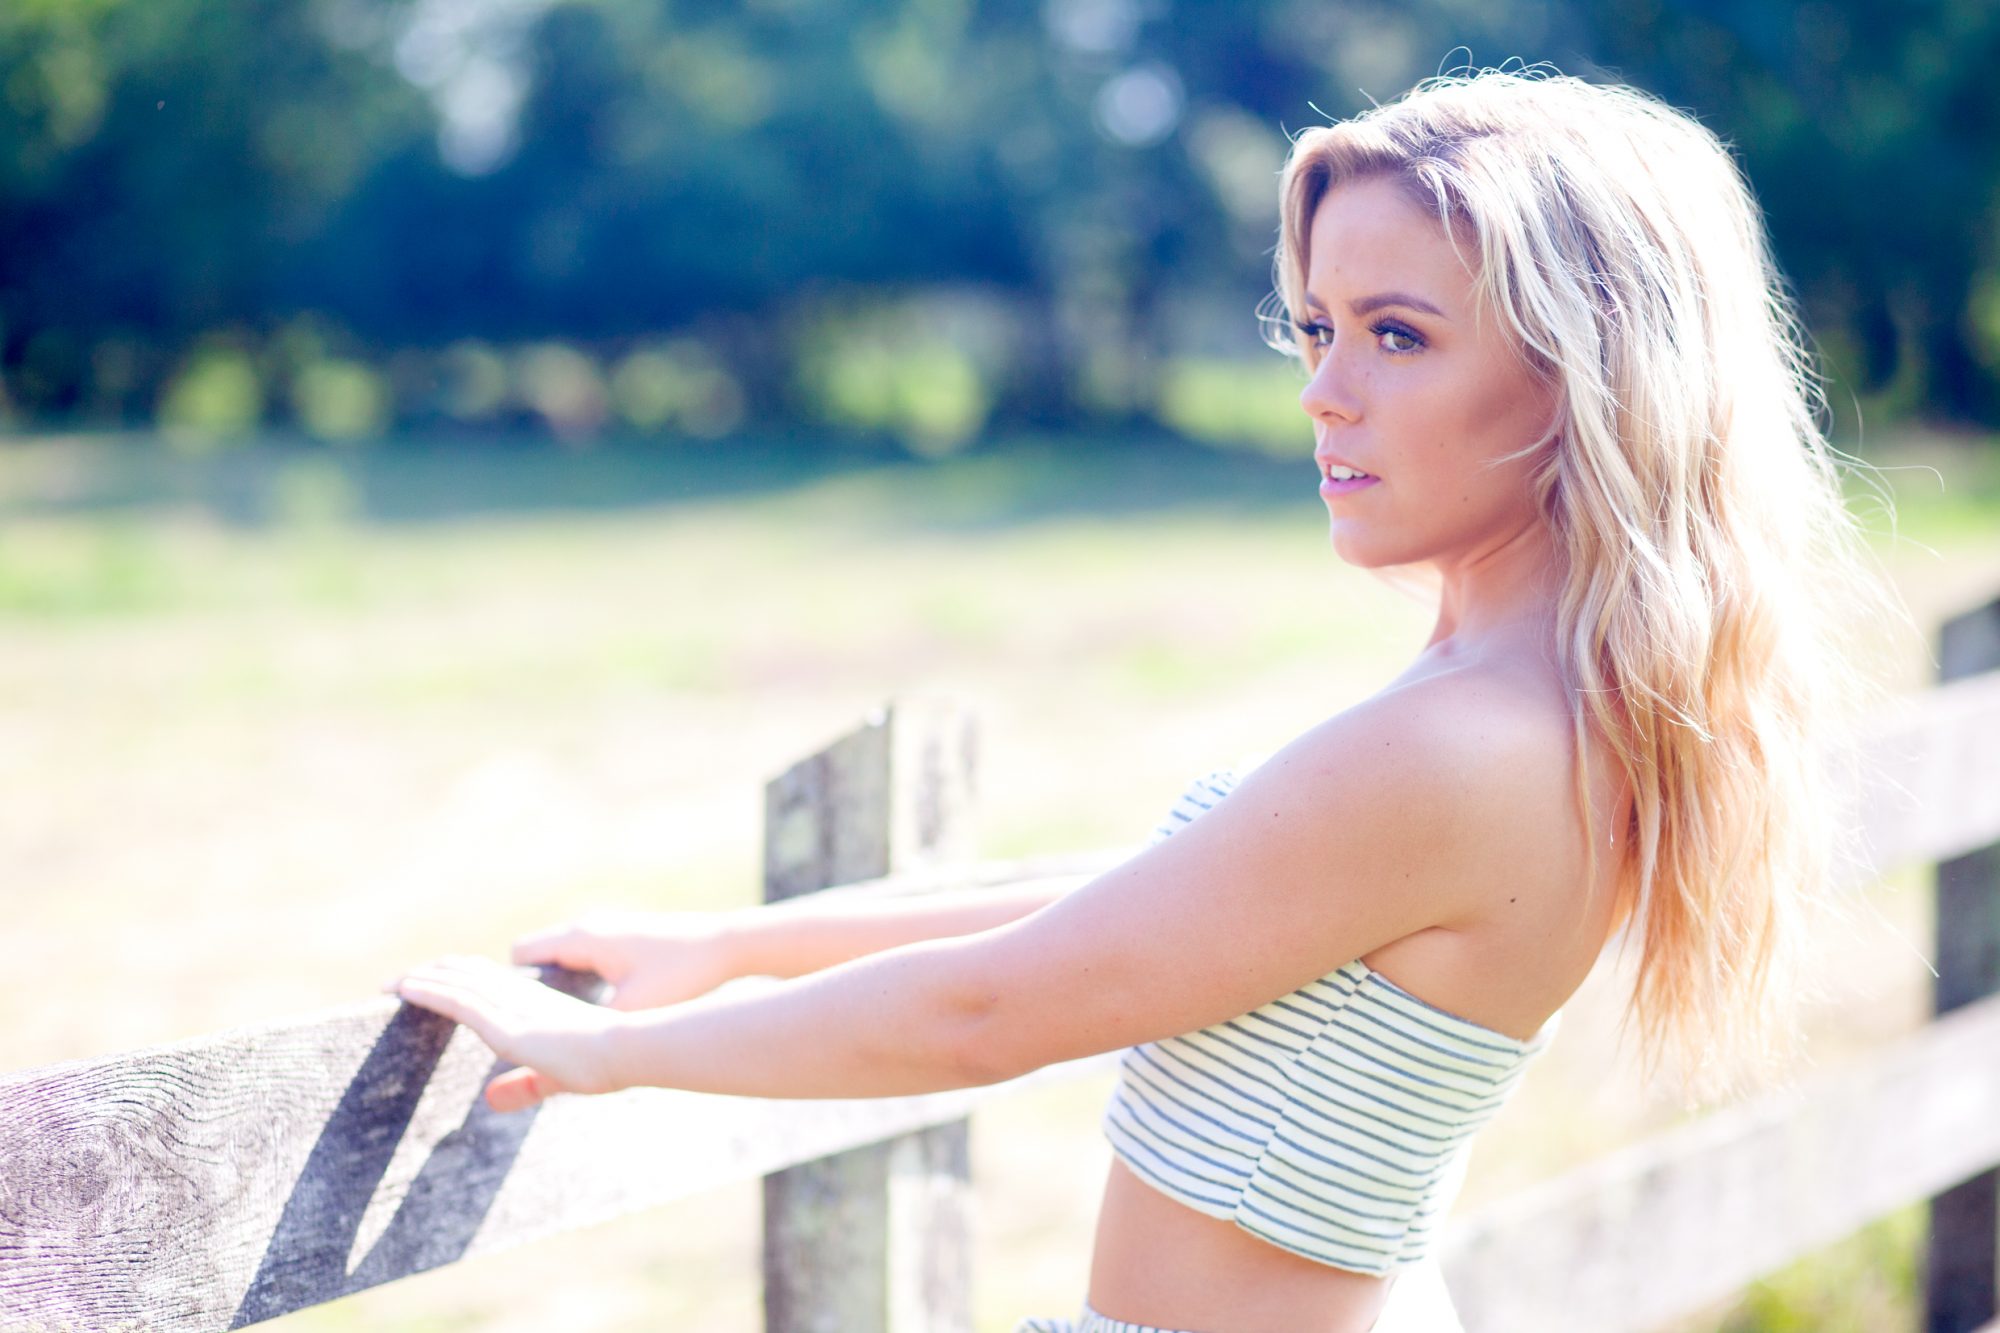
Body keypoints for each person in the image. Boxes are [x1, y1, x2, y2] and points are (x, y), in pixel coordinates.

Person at [392, 65, 1886, 1333]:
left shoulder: (1470, 744)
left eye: (1398, 333)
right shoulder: (1527, 699)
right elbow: (1135, 906)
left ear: (1586, 374)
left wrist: (609, 1055)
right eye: (1316, 327)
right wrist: (727, 947)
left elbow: (999, 1006)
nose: (1324, 390)